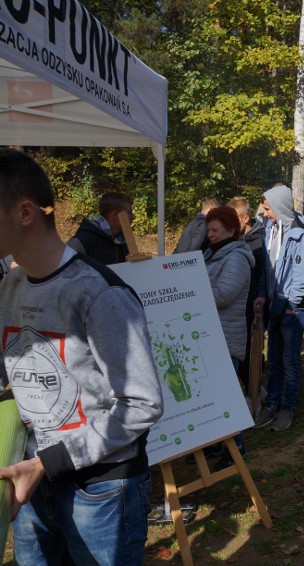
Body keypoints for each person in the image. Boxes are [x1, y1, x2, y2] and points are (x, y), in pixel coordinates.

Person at [0, 149, 163, 564]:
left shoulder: (99, 295)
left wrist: (46, 463)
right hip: (30, 481)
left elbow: (142, 404)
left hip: (101, 491)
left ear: (24, 212)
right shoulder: (9, 288)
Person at [253, 184, 304, 431]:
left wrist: (291, 305)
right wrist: (262, 295)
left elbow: (301, 278)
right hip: (274, 305)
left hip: (290, 309)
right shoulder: (271, 228)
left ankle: (287, 408)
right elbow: (268, 270)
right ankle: (272, 403)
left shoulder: (299, 234)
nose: (265, 213)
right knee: (275, 358)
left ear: (279, 206)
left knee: (289, 360)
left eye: (268, 208)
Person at [202, 206, 254, 469]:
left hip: (226, 337)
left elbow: (223, 295)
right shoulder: (215, 254)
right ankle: (215, 444)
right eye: (208, 229)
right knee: (213, 394)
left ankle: (237, 447)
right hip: (213, 335)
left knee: (227, 396)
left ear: (231, 231)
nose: (209, 234)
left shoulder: (236, 258)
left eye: (215, 230)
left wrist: (191, 287)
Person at [227, 197, 268, 393]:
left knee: (251, 351)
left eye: (233, 220)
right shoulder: (237, 239)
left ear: (245, 219)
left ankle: (255, 391)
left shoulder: (259, 242)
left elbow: (261, 275)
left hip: (252, 305)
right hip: (238, 308)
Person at [67, 191, 135, 265]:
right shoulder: (83, 240)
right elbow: (62, 269)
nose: (134, 217)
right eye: (129, 213)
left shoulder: (123, 239)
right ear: (115, 215)